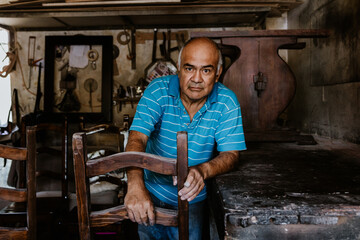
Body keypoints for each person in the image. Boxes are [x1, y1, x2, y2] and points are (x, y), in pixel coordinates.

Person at [124, 37, 246, 240]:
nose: (196, 78)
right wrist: (135, 186)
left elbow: (231, 154)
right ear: (179, 69)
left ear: (217, 74)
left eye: (206, 70)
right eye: (189, 68)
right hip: (149, 194)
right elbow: (137, 138)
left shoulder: (227, 102)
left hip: (193, 200)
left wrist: (202, 171)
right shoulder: (157, 91)